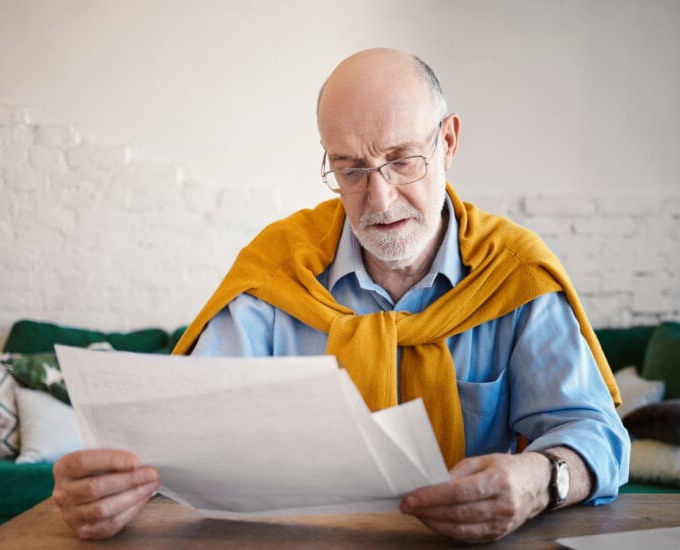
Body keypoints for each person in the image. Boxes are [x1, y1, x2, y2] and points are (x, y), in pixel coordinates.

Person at [51, 48, 630, 542]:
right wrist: (108, 487)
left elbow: (593, 433)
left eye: (401, 161)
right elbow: (181, 436)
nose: (378, 199)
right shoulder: (276, 271)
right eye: (350, 169)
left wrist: (541, 481)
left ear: (448, 142)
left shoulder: (513, 274)